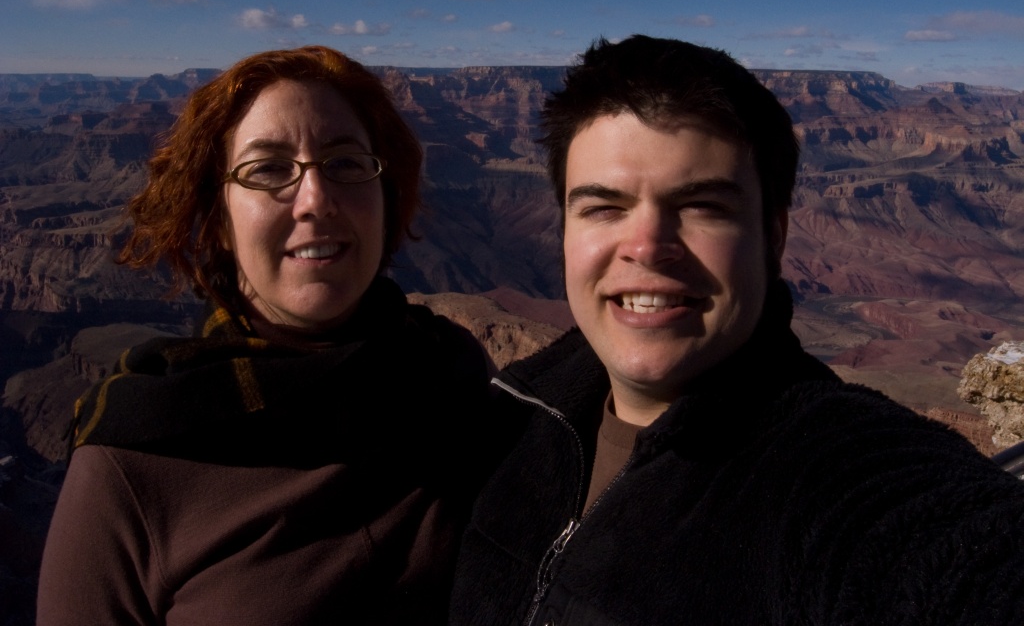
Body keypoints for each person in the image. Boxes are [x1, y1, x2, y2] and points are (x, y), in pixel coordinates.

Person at [450, 35, 1024, 625]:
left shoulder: (829, 474)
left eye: (703, 206)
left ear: (773, 235)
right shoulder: (515, 411)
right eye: (603, 207)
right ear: (565, 230)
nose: (647, 247)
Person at [37, 46, 489, 625]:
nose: (316, 200)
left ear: (386, 193)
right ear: (220, 220)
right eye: (268, 168)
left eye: (346, 163)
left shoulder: (453, 379)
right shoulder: (132, 463)